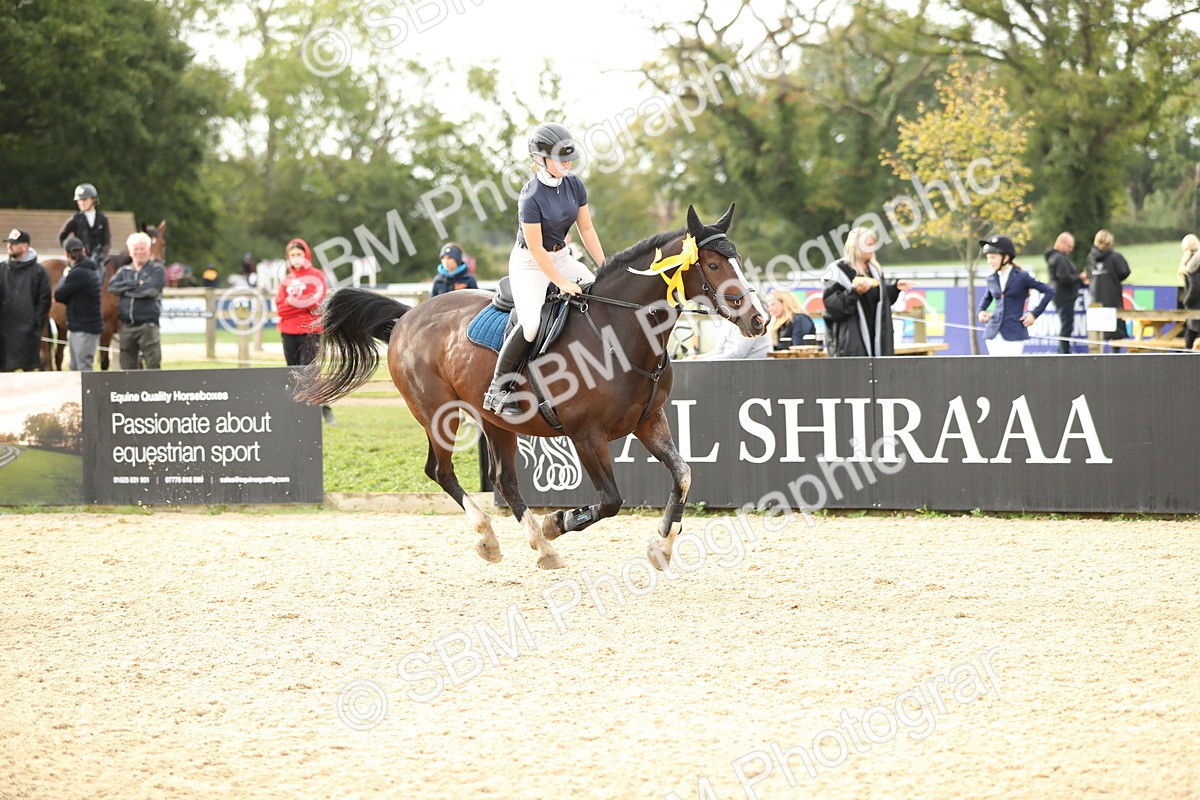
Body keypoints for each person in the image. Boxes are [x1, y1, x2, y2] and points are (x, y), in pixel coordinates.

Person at [483, 122, 607, 416]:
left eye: (569, 158)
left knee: (600, 298)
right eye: (559, 158)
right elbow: (536, 248)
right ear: (539, 159)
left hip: (562, 256)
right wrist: (561, 283)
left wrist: (605, 265)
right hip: (529, 263)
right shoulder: (531, 195)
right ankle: (498, 389)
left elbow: (587, 229)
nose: (567, 163)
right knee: (531, 325)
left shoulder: (575, 184)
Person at [821, 227, 913, 357]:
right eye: (869, 245)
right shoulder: (836, 271)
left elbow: (880, 301)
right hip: (850, 342)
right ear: (856, 246)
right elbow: (833, 306)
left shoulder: (874, 269)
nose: (873, 248)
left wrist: (894, 288)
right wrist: (854, 293)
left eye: (874, 244)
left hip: (877, 339)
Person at [276, 238, 335, 424]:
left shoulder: (316, 276)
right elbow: (281, 309)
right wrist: (303, 302)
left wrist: (294, 303)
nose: (296, 258)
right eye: (292, 255)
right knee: (292, 372)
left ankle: (322, 408)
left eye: (299, 254)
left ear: (306, 255)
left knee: (310, 372)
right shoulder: (286, 280)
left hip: (311, 331)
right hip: (288, 332)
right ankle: (297, 412)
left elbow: (317, 304)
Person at [977, 234, 1055, 355]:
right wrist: (981, 311)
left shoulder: (1022, 277)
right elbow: (987, 298)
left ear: (1006, 257)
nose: (989, 262)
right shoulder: (991, 278)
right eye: (988, 258)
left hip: (1014, 332)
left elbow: (1049, 291)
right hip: (992, 333)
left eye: (992, 257)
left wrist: (1034, 314)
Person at [108, 231, 165, 369]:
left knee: (153, 366)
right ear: (130, 252)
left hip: (148, 326)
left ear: (148, 250)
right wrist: (135, 284)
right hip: (127, 327)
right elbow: (113, 287)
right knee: (127, 368)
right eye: (136, 249)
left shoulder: (157, 270)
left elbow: (150, 291)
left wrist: (125, 290)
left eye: (142, 248)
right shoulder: (123, 271)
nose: (139, 252)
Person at [1, 230, 51, 371]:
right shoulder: (2, 269)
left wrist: (36, 324)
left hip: (28, 334)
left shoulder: (39, 271)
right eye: (8, 243)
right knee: (5, 376)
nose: (9, 246)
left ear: (25, 246)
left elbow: (44, 301)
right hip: (5, 334)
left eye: (14, 243)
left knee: (28, 375)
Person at [53, 236, 103, 371]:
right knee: (76, 367)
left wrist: (65, 275)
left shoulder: (78, 273)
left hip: (84, 329)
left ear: (66, 254)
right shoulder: (89, 269)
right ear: (84, 251)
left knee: (82, 367)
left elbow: (59, 295)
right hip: (81, 327)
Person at [1082, 229, 1132, 349]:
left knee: (1096, 335)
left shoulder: (1090, 258)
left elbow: (1088, 275)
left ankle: (1097, 359)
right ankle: (1115, 357)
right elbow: (1124, 272)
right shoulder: (1116, 257)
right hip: (1112, 300)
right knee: (1116, 333)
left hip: (1095, 301)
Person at [1044, 232, 1082, 354]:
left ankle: (1062, 352)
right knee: (1066, 327)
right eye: (1069, 246)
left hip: (1059, 295)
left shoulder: (1053, 257)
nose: (1071, 250)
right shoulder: (1059, 258)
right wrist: (1079, 278)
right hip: (1064, 296)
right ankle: (1063, 354)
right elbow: (1064, 277)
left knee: (1066, 326)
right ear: (1061, 243)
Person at [57, 183, 112, 267]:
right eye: (79, 200)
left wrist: (102, 256)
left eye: (85, 199)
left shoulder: (102, 219)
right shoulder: (75, 219)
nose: (82, 203)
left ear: (93, 199)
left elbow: (106, 242)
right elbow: (62, 236)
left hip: (98, 261)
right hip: (79, 260)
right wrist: (71, 251)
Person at [690, 319, 770, 360]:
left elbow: (738, 354)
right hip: (736, 366)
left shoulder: (749, 322)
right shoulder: (726, 322)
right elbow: (719, 350)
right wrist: (700, 358)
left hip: (754, 369)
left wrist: (704, 360)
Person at [1178, 234, 1200, 350]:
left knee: (1189, 342)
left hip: (1195, 309)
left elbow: (1195, 286)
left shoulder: (1193, 264)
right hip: (1195, 310)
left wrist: (1187, 302)